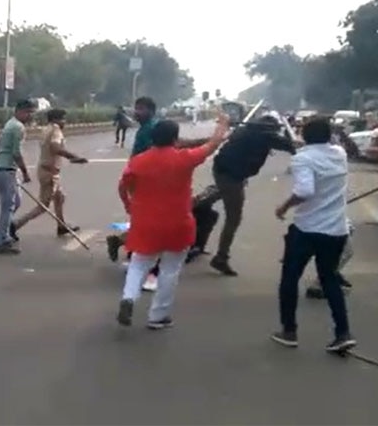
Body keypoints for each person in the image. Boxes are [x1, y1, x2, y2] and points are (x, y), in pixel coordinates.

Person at [116, 116, 229, 329]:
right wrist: (222, 126)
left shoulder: (138, 161)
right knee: (170, 270)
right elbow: (212, 145)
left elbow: (123, 187)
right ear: (175, 139)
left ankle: (129, 297)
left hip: (146, 223)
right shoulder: (184, 158)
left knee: (139, 264)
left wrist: (129, 205)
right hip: (178, 223)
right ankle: (158, 316)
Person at [272, 116, 356, 353]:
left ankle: (289, 331)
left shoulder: (303, 159)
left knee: (290, 278)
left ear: (304, 136)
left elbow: (305, 190)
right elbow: (323, 153)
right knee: (329, 279)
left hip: (307, 229)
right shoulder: (339, 154)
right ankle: (343, 332)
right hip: (336, 230)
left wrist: (284, 206)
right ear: (329, 136)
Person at [107, 96, 208, 292]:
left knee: (148, 225)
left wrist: (203, 141)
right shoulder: (146, 129)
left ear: (152, 111)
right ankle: (149, 270)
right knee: (155, 226)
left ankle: (127, 248)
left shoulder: (154, 128)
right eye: (136, 108)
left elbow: (177, 144)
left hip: (148, 178)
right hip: (142, 178)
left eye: (142, 109)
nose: (137, 112)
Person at [209, 114, 298, 276]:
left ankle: (199, 206)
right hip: (230, 176)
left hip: (227, 172)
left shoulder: (246, 131)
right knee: (234, 217)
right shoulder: (262, 136)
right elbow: (288, 146)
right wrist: (300, 144)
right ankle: (221, 257)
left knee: (224, 195)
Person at [10, 108, 87, 238]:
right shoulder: (56, 130)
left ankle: (61, 225)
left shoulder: (46, 129)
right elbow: (55, 147)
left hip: (46, 170)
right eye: (63, 119)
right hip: (49, 173)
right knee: (43, 206)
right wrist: (73, 157)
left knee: (60, 197)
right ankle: (16, 224)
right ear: (56, 119)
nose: (65, 122)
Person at [0, 99, 36, 254]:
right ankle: (2, 239)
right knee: (8, 206)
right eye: (28, 112)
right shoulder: (18, 127)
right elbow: (16, 153)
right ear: (19, 111)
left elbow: (0, 144)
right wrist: (26, 172)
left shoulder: (10, 124)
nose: (30, 116)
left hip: (3, 169)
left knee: (16, 202)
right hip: (6, 170)